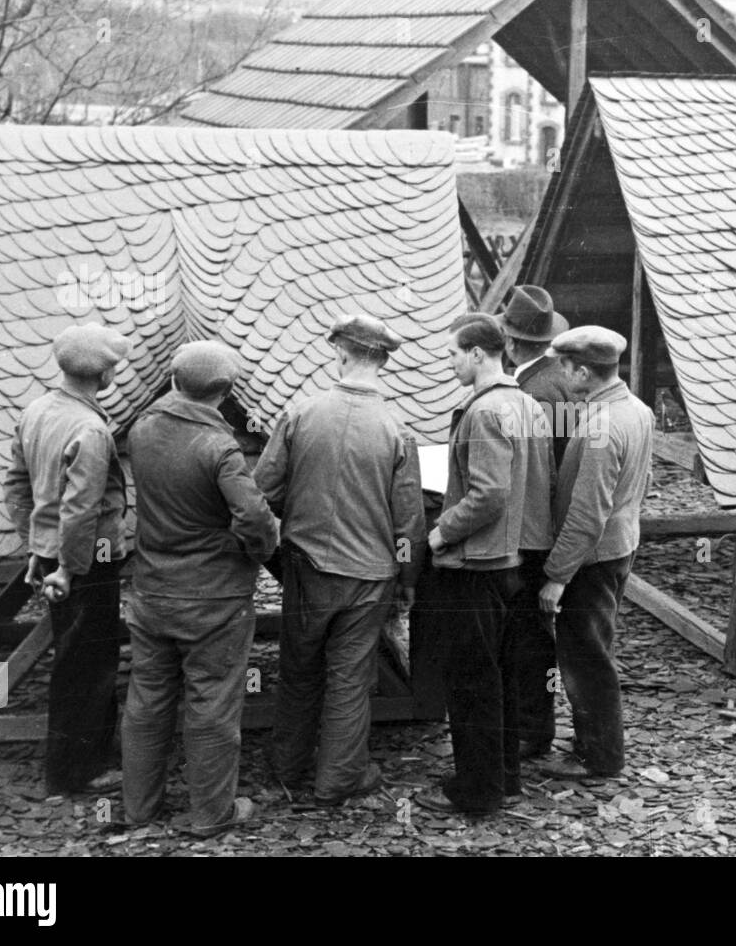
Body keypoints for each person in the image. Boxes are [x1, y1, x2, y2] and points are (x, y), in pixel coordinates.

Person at [254, 315, 425, 805]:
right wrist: (407, 577)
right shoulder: (397, 431)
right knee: (351, 678)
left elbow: (263, 493)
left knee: (299, 668)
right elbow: (408, 523)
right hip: (370, 577)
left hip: (307, 569)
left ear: (342, 354)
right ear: (384, 360)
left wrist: (282, 554)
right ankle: (339, 779)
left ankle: (286, 768)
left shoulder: (300, 415)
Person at [123, 341, 278, 836]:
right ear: (226, 393)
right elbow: (255, 517)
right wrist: (254, 548)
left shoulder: (142, 431)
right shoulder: (219, 448)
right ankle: (212, 814)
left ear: (172, 381)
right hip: (213, 598)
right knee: (211, 703)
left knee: (146, 700)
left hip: (151, 590)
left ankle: (138, 809)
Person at [415, 313, 553, 815]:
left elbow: (489, 492)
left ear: (477, 354)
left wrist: (440, 532)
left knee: (471, 681)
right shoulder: (527, 404)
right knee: (503, 675)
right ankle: (505, 778)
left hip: (478, 564)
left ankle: (477, 791)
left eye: (453, 353)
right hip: (516, 560)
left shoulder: (483, 412)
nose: (449, 363)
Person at [4, 322, 131, 797]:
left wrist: (39, 547)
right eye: (113, 365)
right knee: (88, 665)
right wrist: (67, 568)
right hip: (86, 563)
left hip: (57, 557)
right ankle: (76, 772)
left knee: (74, 657)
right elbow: (81, 508)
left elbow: (16, 485)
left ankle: (84, 759)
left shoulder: (37, 410)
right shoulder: (90, 429)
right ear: (102, 375)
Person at [536, 326, 654, 780]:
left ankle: (598, 757)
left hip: (592, 558)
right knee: (595, 649)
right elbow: (641, 484)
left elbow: (587, 515)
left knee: (586, 659)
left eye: (565, 367)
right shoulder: (636, 409)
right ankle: (595, 744)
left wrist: (557, 575)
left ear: (583, 370)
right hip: (617, 547)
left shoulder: (602, 426)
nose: (562, 374)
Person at [499, 285, 570, 760]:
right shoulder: (559, 381)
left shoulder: (530, 393)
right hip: (555, 526)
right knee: (536, 632)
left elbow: (532, 471)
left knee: (524, 634)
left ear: (508, 343)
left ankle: (529, 728)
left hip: (532, 531)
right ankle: (535, 723)